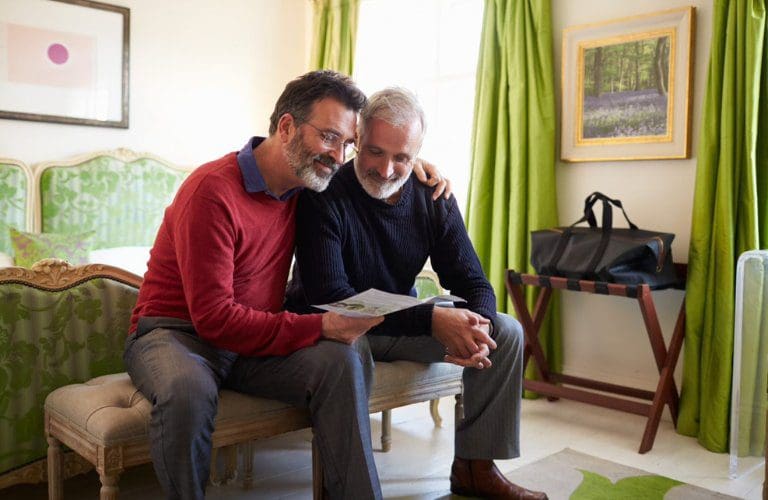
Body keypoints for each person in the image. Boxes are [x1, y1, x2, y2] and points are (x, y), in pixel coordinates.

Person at [124, 71, 449, 500]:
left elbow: (374, 175)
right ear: (286, 127)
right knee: (188, 390)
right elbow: (214, 319)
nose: (338, 156)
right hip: (175, 334)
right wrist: (321, 327)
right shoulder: (212, 191)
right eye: (329, 137)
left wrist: (416, 169)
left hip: (249, 340)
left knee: (340, 361)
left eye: (346, 144)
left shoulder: (307, 187)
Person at [285, 87, 548, 500]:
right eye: (374, 152)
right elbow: (334, 297)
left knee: (507, 331)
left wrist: (476, 327)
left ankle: (475, 469)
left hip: (398, 321)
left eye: (402, 157)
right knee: (345, 352)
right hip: (337, 325)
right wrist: (431, 320)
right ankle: (349, 490)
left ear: (417, 153)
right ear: (357, 140)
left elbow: (474, 283)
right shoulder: (324, 194)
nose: (387, 169)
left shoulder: (432, 195)